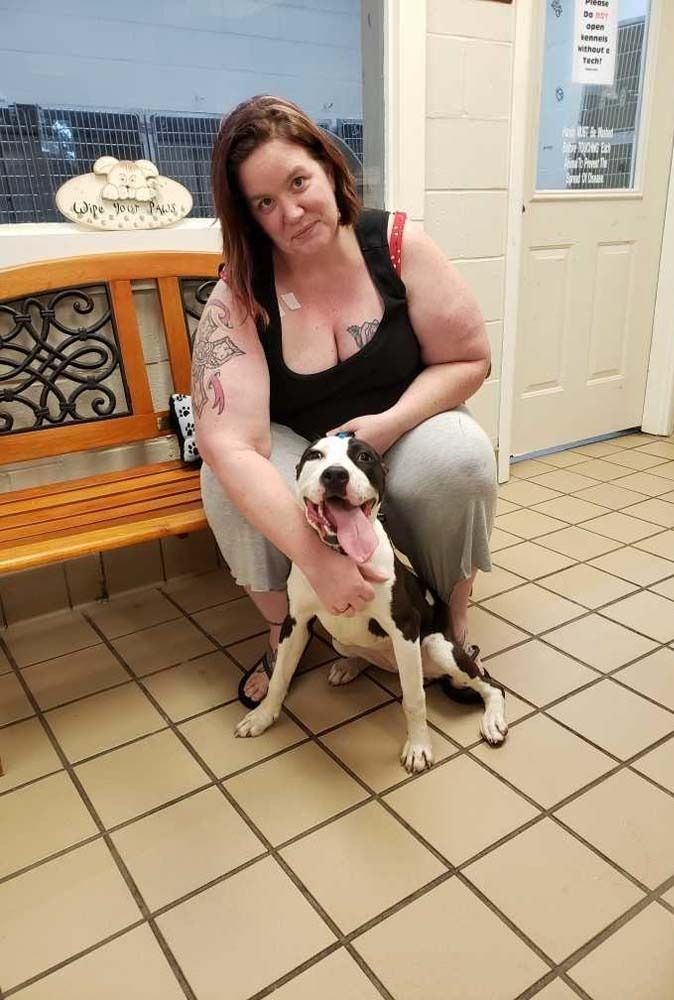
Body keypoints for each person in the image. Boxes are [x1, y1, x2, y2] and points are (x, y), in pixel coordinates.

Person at [194, 95, 497, 707]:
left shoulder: (398, 246)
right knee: (223, 477)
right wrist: (319, 559)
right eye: (264, 203)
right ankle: (284, 629)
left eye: (298, 181)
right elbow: (228, 439)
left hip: (395, 426)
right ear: (249, 218)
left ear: (330, 168)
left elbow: (470, 358)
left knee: (460, 458)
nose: (292, 211)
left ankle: (449, 625)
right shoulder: (241, 291)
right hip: (293, 441)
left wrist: (388, 425)